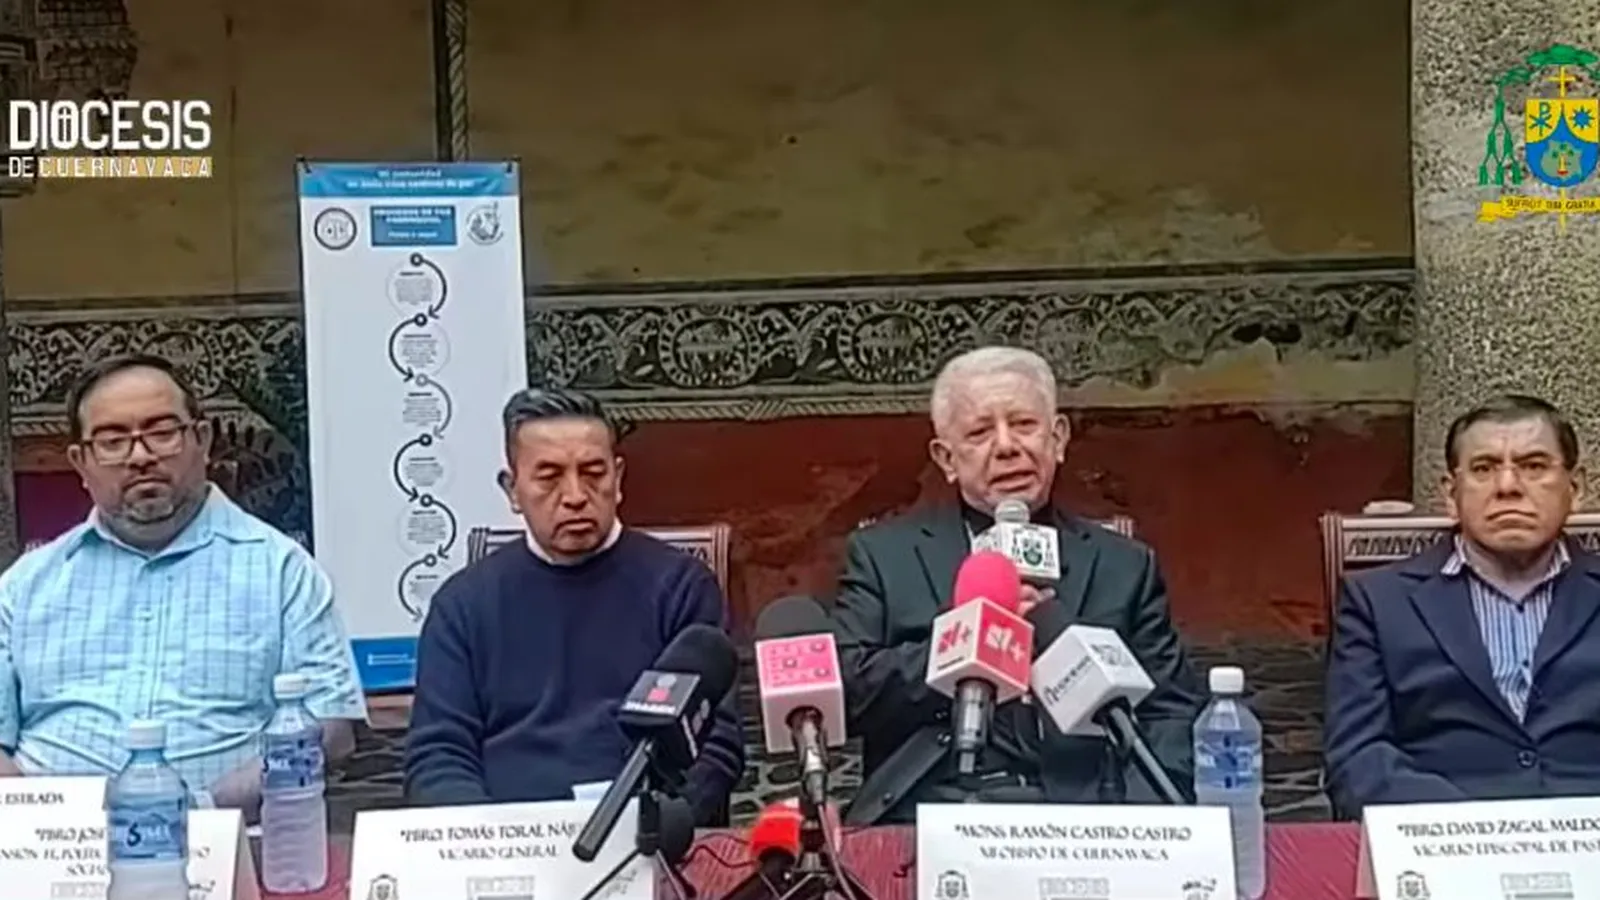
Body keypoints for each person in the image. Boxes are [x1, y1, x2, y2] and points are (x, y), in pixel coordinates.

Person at [831, 346, 1203, 823]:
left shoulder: (1124, 565)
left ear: (1058, 438)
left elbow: (1170, 712)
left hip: (1085, 813)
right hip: (931, 806)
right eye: (980, 432)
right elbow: (847, 691)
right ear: (946, 458)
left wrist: (1142, 821)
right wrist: (965, 643)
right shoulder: (885, 555)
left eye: (1024, 424)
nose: (1006, 447)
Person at [0, 354, 366, 814]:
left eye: (162, 432)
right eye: (112, 440)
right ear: (81, 462)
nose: (140, 456)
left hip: (228, 834)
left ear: (202, 440)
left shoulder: (281, 571)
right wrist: (39, 822)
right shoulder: (25, 585)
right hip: (48, 840)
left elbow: (330, 729)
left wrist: (205, 810)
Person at [404, 387, 744, 823]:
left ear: (618, 479)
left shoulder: (680, 586)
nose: (575, 495)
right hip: (507, 835)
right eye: (549, 477)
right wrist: (487, 842)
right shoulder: (463, 604)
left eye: (593, 473)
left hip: (643, 831)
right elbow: (437, 754)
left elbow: (715, 746)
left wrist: (654, 830)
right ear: (512, 490)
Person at [1325, 394, 1600, 813]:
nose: (1508, 487)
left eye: (1533, 466)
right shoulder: (1378, 602)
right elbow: (1357, 760)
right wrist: (1474, 826)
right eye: (1484, 468)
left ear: (1575, 489)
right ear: (1451, 495)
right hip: (1442, 832)